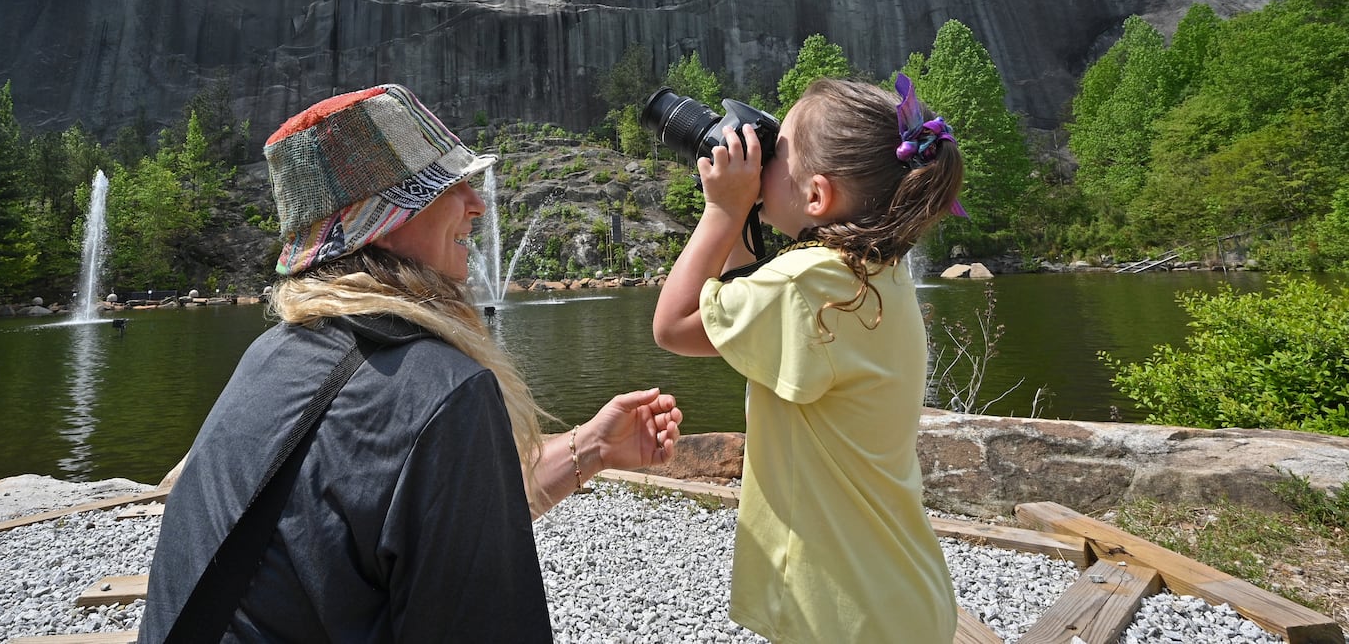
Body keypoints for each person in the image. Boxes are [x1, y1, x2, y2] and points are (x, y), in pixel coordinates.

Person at [142, 83, 682, 643]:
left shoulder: (273, 354)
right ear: (383, 217)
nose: (476, 203)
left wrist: (591, 447)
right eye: (448, 185)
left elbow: (415, 527)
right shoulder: (442, 392)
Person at [652, 74, 965, 643]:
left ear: (817, 196)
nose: (761, 157)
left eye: (777, 149)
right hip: (896, 594)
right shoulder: (866, 273)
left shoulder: (804, 284)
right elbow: (743, 291)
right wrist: (746, 213)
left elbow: (673, 327)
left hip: (842, 614)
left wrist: (722, 211)